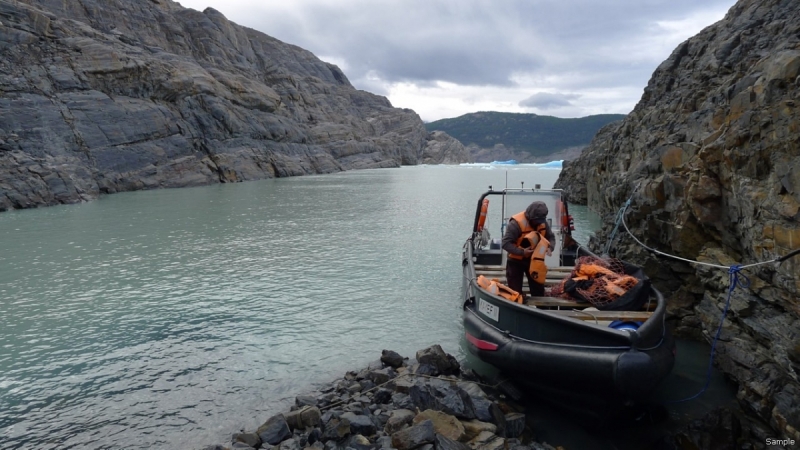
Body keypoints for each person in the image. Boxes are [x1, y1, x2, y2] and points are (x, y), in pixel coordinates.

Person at [502, 201, 556, 298]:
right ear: (530, 217)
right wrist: (522, 252)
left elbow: (551, 237)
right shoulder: (515, 224)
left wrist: (550, 247)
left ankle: (541, 310)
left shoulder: (543, 223)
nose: (539, 223)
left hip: (534, 261)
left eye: (541, 220)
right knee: (515, 293)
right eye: (536, 220)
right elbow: (506, 243)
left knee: (538, 290)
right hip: (515, 261)